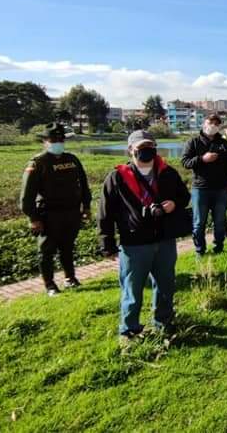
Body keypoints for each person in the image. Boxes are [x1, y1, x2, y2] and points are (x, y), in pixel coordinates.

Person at [98, 130, 190, 343]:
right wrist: (107, 244)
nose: (146, 152)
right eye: (141, 148)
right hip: (134, 243)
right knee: (132, 288)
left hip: (165, 239)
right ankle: (129, 331)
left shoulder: (167, 172)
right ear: (130, 150)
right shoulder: (117, 178)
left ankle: (164, 324)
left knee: (166, 285)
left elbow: (184, 196)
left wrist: (174, 204)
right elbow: (105, 213)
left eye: (150, 147)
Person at [19, 122, 92, 296]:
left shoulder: (72, 159)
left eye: (60, 139)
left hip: (71, 212)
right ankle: (50, 285)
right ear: (45, 141)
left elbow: (83, 184)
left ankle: (70, 278)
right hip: (48, 215)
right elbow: (26, 195)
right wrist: (33, 218)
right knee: (46, 251)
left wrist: (86, 206)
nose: (57, 142)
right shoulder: (38, 163)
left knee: (67, 247)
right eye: (53, 139)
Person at [181, 114, 227, 256]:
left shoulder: (224, 144)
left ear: (219, 126)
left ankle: (218, 247)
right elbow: (185, 162)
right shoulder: (193, 142)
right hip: (200, 189)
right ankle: (200, 250)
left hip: (221, 189)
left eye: (216, 123)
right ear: (204, 123)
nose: (213, 125)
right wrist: (202, 159)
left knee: (220, 221)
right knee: (199, 222)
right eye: (210, 122)